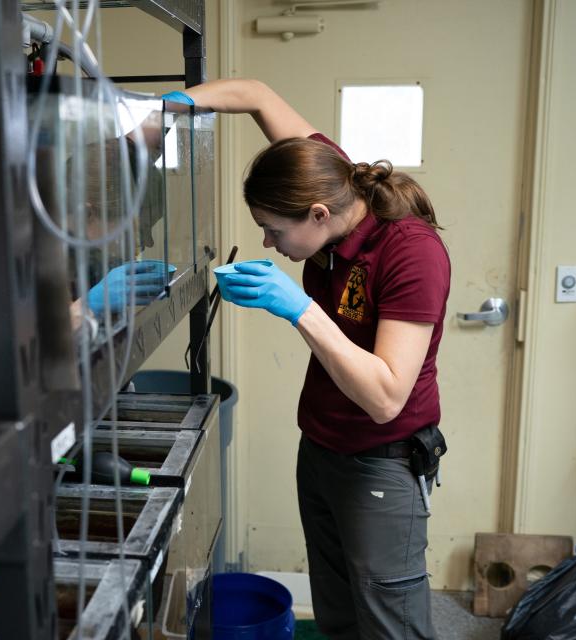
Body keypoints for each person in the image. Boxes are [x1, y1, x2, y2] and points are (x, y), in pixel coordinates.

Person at [166, 80, 450, 639]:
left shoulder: (411, 252)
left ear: (319, 215)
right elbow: (253, 93)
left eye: (274, 230)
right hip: (320, 449)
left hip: (381, 461)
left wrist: (300, 308)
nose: (269, 244)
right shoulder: (331, 176)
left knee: (390, 623)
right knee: (338, 612)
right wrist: (168, 109)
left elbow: (386, 397)